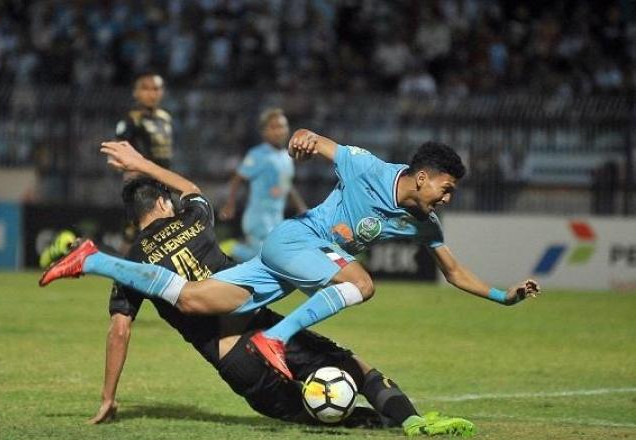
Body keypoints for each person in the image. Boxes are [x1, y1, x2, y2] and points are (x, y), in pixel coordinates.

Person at [41, 135, 541, 382]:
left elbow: (453, 272)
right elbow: (317, 141)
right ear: (423, 176)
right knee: (362, 283)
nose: (447, 199)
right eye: (446, 189)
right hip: (295, 242)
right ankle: (276, 340)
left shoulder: (423, 222)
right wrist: (303, 138)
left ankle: (92, 260)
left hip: (293, 266)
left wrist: (504, 297)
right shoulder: (367, 166)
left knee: (195, 301)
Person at [46, 148, 474, 436]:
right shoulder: (194, 218)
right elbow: (190, 187)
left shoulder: (134, 266)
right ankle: (412, 421)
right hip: (259, 321)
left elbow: (119, 331)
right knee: (353, 367)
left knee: (315, 413)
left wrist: (108, 397)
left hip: (234, 358)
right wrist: (140, 161)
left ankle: (92, 260)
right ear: (161, 203)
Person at [219, 108, 307, 262]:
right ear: (264, 132)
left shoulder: (286, 156)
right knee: (268, 257)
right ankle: (231, 248)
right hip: (258, 217)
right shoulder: (258, 154)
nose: (279, 131)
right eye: (274, 127)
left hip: (276, 217)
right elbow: (238, 178)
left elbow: (287, 185)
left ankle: (236, 254)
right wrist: (230, 204)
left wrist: (301, 207)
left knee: (267, 257)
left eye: (282, 126)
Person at [115, 72, 173, 169]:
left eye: (156, 89)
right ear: (135, 92)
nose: (151, 94)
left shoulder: (165, 117)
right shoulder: (131, 120)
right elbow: (117, 151)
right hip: (142, 179)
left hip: (164, 178)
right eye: (145, 89)